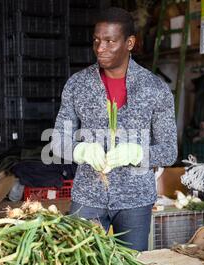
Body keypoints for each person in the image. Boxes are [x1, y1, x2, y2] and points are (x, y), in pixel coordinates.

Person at [51, 7, 177, 251]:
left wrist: (137, 153)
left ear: (129, 43)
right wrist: (80, 151)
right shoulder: (78, 85)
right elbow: (57, 141)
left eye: (110, 41)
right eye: (97, 40)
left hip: (135, 200)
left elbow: (169, 151)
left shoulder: (155, 88)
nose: (100, 48)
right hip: (88, 195)